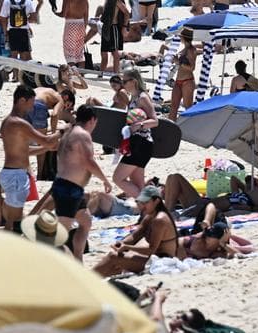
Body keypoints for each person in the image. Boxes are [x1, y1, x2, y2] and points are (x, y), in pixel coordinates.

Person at [0, 84, 61, 233]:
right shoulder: (19, 123)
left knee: (13, 222)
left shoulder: (8, 121)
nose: (33, 106)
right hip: (15, 176)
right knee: (15, 225)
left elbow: (24, 151)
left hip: (13, 174)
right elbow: (46, 140)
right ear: (22, 100)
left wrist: (46, 148)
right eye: (31, 102)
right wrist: (63, 131)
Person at [53, 104, 109, 259]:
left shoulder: (68, 132)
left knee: (86, 221)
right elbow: (89, 162)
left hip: (70, 187)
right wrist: (105, 180)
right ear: (92, 120)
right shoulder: (82, 135)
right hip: (68, 188)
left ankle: (78, 259)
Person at [93, 185, 179, 276]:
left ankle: (86, 280)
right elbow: (135, 235)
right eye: (140, 202)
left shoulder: (160, 220)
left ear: (156, 201)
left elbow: (151, 250)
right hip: (152, 257)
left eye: (145, 202)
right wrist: (121, 243)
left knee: (113, 257)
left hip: (162, 261)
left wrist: (127, 247)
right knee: (116, 260)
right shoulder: (150, 216)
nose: (142, 205)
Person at [112, 69, 157, 199]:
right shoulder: (134, 98)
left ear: (134, 82)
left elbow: (155, 121)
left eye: (125, 81)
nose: (123, 84)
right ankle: (147, 211)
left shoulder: (142, 97)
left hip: (141, 144)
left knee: (117, 178)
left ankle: (147, 205)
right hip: (139, 144)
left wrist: (140, 125)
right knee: (138, 184)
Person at [58, 0, 89, 67]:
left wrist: (54, 12)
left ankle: (72, 74)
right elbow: (86, 16)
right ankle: (81, 74)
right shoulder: (85, 1)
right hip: (81, 25)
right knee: (80, 54)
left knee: (70, 53)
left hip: (70, 24)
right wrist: (84, 30)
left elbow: (63, 14)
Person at [97, 0, 126, 72]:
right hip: (106, 28)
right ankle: (101, 74)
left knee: (115, 53)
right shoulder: (107, 1)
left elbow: (127, 13)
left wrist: (124, 26)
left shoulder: (117, 1)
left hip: (113, 28)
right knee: (104, 54)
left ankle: (116, 73)